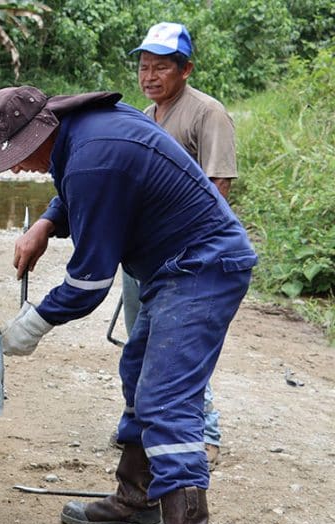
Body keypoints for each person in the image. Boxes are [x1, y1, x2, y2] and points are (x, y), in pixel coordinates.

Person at [0, 85, 256, 524]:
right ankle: (137, 501)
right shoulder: (80, 133)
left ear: (37, 133)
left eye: (11, 157)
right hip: (173, 267)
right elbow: (82, 191)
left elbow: (89, 283)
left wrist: (23, 331)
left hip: (202, 267)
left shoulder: (94, 154)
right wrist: (50, 223)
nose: (12, 169)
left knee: (167, 398)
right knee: (138, 376)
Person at [116, 21, 240, 468]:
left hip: (189, 258)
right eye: (144, 67)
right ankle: (144, 426)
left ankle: (204, 428)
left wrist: (186, 250)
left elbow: (217, 185)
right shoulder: (144, 118)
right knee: (141, 342)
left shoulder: (208, 113)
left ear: (186, 69)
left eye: (160, 67)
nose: (149, 76)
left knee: (178, 343)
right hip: (144, 256)